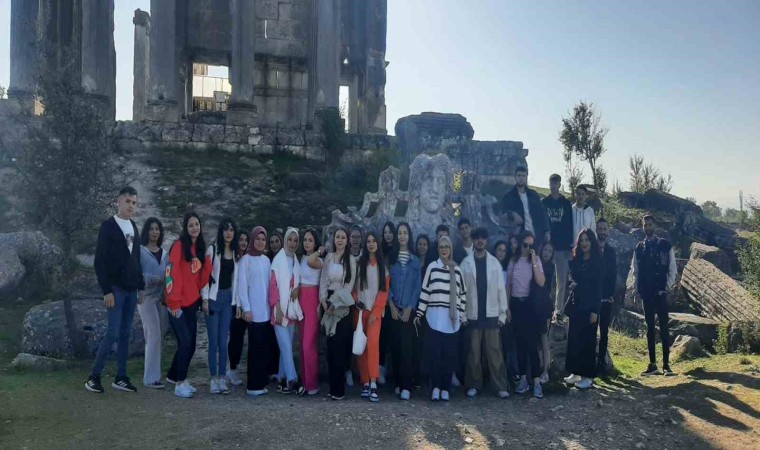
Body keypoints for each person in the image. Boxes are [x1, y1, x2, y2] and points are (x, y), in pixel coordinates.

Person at [86, 186, 146, 394]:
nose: (131, 206)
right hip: (115, 289)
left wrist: (141, 286)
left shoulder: (134, 226)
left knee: (125, 334)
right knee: (112, 333)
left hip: (131, 290)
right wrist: (106, 290)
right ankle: (94, 377)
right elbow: (99, 261)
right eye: (127, 201)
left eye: (134, 202)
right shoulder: (108, 226)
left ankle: (121, 377)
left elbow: (136, 259)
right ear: (118, 202)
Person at [165, 211, 213, 398]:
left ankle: (173, 376)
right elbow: (172, 274)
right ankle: (180, 383)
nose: (194, 228)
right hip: (176, 305)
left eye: (197, 224)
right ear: (186, 228)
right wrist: (173, 303)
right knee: (185, 342)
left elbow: (199, 282)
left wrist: (207, 265)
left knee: (191, 344)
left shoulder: (199, 249)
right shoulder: (179, 246)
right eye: (191, 225)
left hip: (192, 304)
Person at [415, 236, 466, 401]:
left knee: (449, 356)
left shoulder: (457, 270)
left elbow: (463, 294)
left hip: (451, 321)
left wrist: (461, 314)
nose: (444, 249)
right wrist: (420, 313)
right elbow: (425, 291)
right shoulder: (432, 267)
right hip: (435, 318)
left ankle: (445, 387)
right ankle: (436, 387)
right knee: (435, 355)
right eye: (442, 247)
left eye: (447, 247)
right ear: (438, 249)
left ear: (451, 249)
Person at [460, 227, 510, 399]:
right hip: (472, 315)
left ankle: (500, 386)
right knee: (473, 354)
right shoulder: (465, 264)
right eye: (477, 238)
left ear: (486, 241)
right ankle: (474, 385)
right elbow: (461, 292)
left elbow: (501, 290)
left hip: (492, 315)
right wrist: (462, 314)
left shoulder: (495, 263)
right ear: (473, 241)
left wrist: (503, 314)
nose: (480, 241)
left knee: (495, 353)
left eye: (483, 238)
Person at [630, 214, 677, 376]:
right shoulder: (639, 247)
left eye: (650, 224)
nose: (647, 227)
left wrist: (667, 286)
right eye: (645, 225)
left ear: (654, 226)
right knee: (649, 328)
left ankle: (666, 365)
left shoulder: (665, 245)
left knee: (664, 328)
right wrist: (636, 289)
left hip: (661, 292)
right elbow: (635, 270)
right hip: (646, 292)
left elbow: (672, 268)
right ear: (642, 227)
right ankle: (652, 364)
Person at [506, 230, 546, 399]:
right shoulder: (513, 261)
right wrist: (507, 307)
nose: (528, 248)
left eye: (531, 245)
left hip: (530, 306)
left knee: (531, 344)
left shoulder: (536, 261)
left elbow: (541, 282)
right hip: (516, 305)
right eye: (525, 245)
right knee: (520, 344)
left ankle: (536, 381)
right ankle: (523, 379)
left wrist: (535, 260)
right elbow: (508, 285)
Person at [201, 218, 239, 395]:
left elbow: (235, 280)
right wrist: (205, 299)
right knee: (213, 341)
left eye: (231, 230)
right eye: (225, 229)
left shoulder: (236, 253)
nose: (228, 233)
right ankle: (213, 379)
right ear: (221, 231)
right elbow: (205, 276)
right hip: (213, 298)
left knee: (224, 342)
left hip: (227, 299)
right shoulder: (213, 249)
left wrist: (236, 302)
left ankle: (222, 377)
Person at [319, 227, 357, 400]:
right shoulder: (328, 257)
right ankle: (332, 387)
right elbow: (323, 281)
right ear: (334, 239)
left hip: (342, 306)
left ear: (347, 240)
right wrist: (323, 301)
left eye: (343, 237)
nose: (340, 240)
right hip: (328, 304)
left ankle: (339, 390)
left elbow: (349, 285)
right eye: (337, 237)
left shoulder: (351, 260)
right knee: (331, 347)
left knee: (340, 346)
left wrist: (335, 303)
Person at [564, 228, 603, 390]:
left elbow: (598, 288)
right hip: (576, 305)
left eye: (587, 240)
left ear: (592, 242)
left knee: (588, 340)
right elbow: (572, 278)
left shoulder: (597, 262)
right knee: (574, 338)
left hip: (590, 306)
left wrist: (595, 310)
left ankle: (588, 376)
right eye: (582, 240)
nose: (584, 243)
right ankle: (575, 372)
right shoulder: (577, 259)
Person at [387, 222, 422, 400]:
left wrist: (410, 307)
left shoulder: (415, 261)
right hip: (393, 309)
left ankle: (407, 385)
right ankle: (398, 383)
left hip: (408, 310)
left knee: (407, 348)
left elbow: (417, 287)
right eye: (399, 233)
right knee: (395, 347)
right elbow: (385, 284)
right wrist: (391, 306)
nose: (402, 236)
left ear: (409, 236)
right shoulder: (391, 259)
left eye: (405, 233)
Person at [236, 226, 272, 396]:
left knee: (263, 348)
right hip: (253, 312)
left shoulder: (266, 261)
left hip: (266, 312)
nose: (260, 242)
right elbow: (242, 286)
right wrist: (247, 309)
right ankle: (253, 386)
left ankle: (261, 382)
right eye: (258, 239)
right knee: (255, 348)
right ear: (253, 239)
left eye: (263, 239)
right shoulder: (246, 260)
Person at [354, 231, 390, 402]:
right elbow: (353, 286)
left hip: (375, 314)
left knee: (373, 345)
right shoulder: (359, 263)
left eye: (374, 241)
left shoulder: (383, 266)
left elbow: (384, 291)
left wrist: (376, 312)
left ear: (377, 244)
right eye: (368, 241)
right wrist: (356, 300)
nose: (371, 244)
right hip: (360, 311)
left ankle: (373, 381)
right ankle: (365, 382)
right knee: (361, 346)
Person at [269, 227, 305, 395]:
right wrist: (276, 308)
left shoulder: (295, 260)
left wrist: (297, 288)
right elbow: (273, 286)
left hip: (290, 311)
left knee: (286, 347)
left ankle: (282, 380)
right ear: (285, 240)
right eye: (290, 240)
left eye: (295, 240)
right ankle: (293, 380)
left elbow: (297, 280)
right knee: (286, 347)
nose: (292, 243)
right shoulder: (278, 260)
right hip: (280, 311)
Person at [138, 217, 168, 389]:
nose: (155, 232)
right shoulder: (141, 252)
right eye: (151, 229)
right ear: (146, 231)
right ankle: (150, 378)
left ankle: (155, 375)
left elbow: (169, 274)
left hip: (161, 299)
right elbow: (137, 274)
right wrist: (152, 278)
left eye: (157, 229)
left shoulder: (164, 254)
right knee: (153, 334)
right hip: (146, 298)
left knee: (158, 335)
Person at [541, 174, 574, 319]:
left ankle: (558, 311)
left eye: (556, 183)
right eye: (551, 183)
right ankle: (544, 306)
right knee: (545, 278)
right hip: (547, 247)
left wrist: (569, 246)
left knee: (561, 281)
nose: (553, 185)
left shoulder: (566, 203)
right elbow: (540, 223)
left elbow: (569, 225)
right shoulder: (544, 202)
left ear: (559, 185)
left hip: (562, 246)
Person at [299, 228, 325, 395]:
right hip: (300, 300)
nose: (307, 243)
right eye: (305, 240)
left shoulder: (318, 260)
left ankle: (312, 383)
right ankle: (304, 380)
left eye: (310, 240)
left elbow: (310, 262)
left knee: (309, 344)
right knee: (302, 343)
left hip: (313, 300)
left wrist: (320, 251)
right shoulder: (301, 258)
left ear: (315, 243)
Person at [500, 166, 550, 248]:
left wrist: (547, 230)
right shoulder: (509, 196)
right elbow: (502, 214)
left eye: (523, 176)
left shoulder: (534, 195)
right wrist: (512, 214)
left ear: (526, 177)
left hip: (536, 236)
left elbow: (543, 213)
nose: (521, 178)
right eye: (519, 175)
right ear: (515, 177)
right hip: (519, 236)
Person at [227, 231, 250, 387]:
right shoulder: (234, 259)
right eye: (241, 239)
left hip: (246, 302)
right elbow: (235, 284)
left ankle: (235, 368)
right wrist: (238, 304)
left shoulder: (247, 259)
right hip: (235, 303)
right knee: (235, 337)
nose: (243, 242)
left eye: (245, 240)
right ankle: (232, 369)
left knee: (240, 338)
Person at [595, 219, 617, 375]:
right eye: (600, 229)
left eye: (604, 229)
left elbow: (613, 275)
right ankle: (589, 362)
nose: (602, 232)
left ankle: (602, 362)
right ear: (596, 230)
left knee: (604, 332)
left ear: (608, 231)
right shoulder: (591, 249)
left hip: (606, 298)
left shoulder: (611, 251)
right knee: (590, 332)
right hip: (593, 298)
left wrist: (610, 295)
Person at [378, 221, 397, 383]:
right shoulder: (380, 252)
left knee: (395, 337)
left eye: (390, 232)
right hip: (383, 299)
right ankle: (381, 368)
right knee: (382, 336)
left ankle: (395, 371)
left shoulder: (399, 251)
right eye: (385, 232)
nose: (388, 235)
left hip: (397, 299)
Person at [537, 242, 556, 384]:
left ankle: (545, 370)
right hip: (534, 305)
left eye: (550, 251)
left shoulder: (550, 268)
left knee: (544, 338)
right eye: (545, 250)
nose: (547, 253)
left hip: (544, 306)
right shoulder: (535, 264)